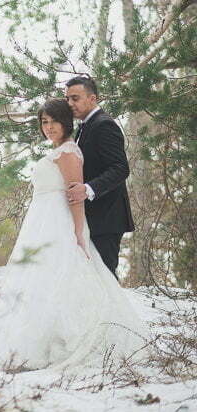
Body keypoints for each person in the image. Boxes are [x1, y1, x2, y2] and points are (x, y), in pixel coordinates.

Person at [0, 99, 147, 371]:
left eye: (54, 121)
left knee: (65, 277)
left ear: (66, 122)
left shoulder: (68, 152)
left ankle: (76, 337)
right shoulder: (58, 150)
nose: (49, 127)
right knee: (43, 280)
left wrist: (79, 232)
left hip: (61, 222)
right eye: (44, 122)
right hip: (43, 221)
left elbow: (75, 195)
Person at [64, 76, 134, 281]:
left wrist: (87, 189)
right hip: (92, 218)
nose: (70, 104)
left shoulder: (104, 125)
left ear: (92, 99)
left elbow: (121, 168)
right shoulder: (84, 127)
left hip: (107, 218)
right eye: (67, 99)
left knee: (105, 280)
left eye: (75, 98)